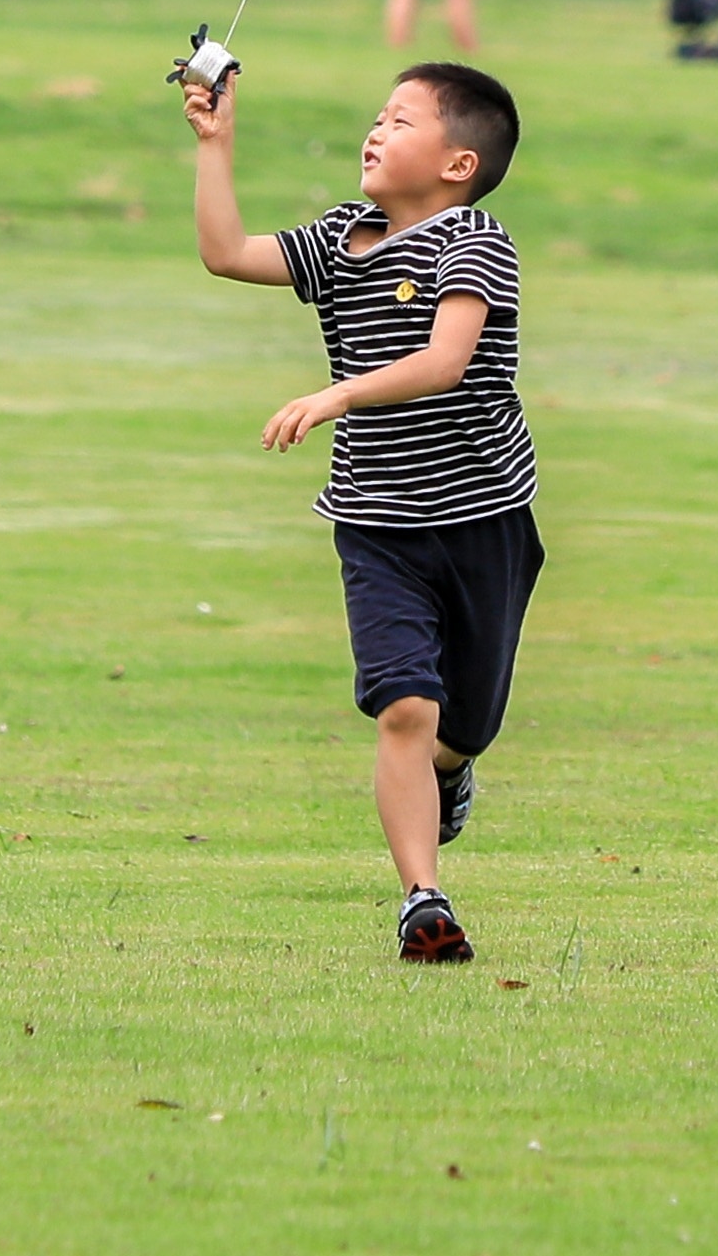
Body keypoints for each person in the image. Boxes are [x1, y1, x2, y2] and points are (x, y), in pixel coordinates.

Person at [181, 59, 539, 967]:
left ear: (458, 163)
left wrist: (334, 396)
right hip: (376, 521)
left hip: (481, 515)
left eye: (401, 120)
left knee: (462, 729)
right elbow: (227, 252)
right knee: (403, 711)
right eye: (376, 116)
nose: (374, 131)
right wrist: (214, 145)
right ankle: (423, 899)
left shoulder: (475, 239)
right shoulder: (345, 237)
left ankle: (451, 775)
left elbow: (444, 360)